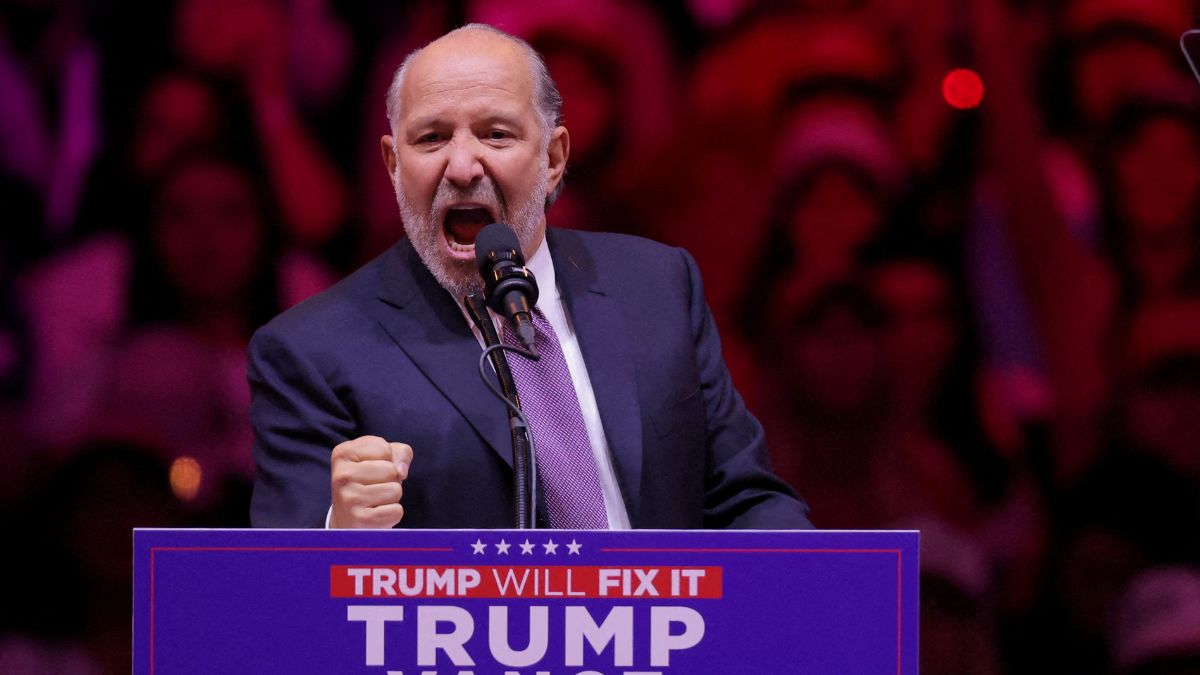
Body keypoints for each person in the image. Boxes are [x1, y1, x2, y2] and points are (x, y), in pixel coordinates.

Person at [248, 23, 812, 530]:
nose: (463, 167)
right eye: (431, 138)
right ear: (394, 166)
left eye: (496, 134)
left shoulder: (658, 286)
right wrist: (338, 528)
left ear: (554, 159)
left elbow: (746, 499)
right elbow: (279, 594)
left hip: (663, 639)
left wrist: (824, 599)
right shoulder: (311, 351)